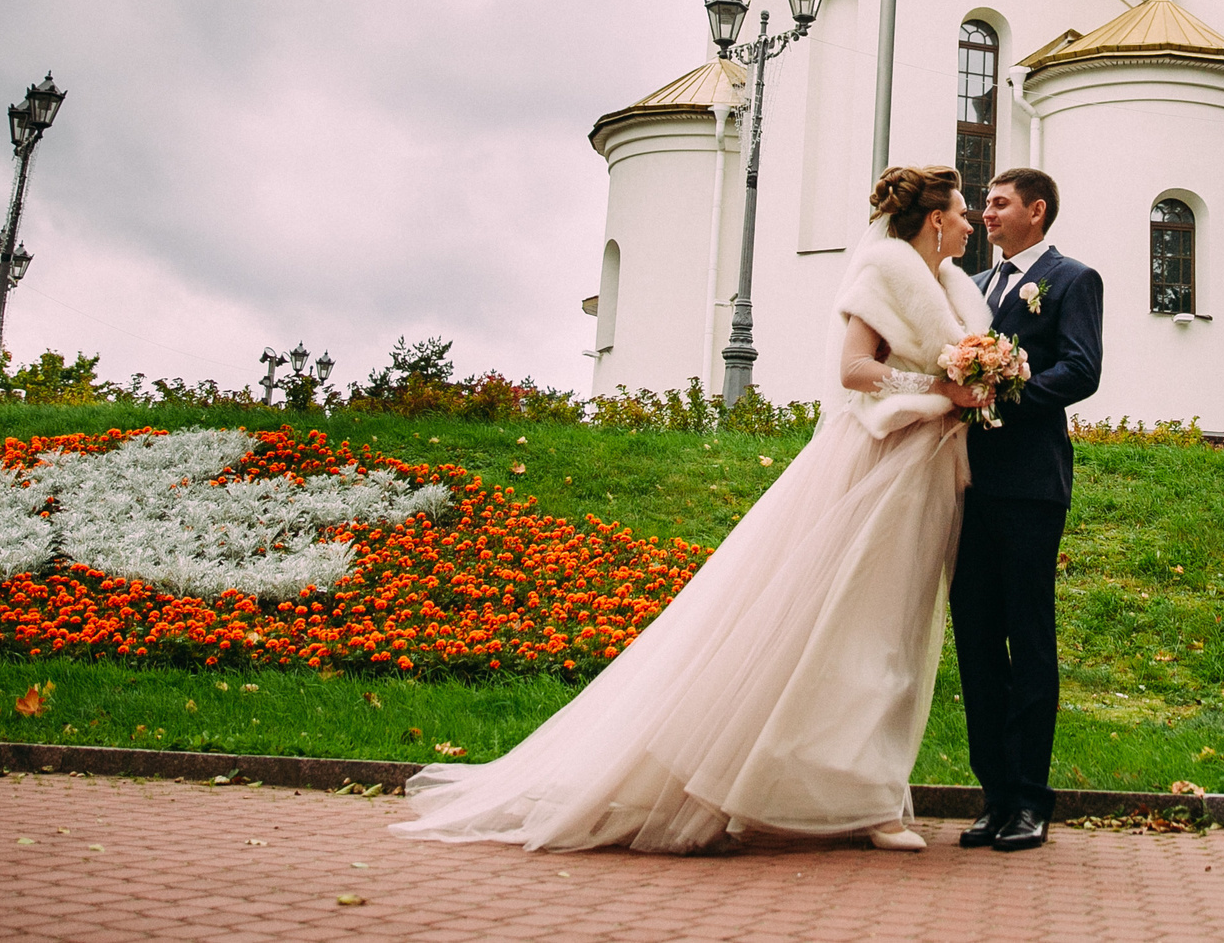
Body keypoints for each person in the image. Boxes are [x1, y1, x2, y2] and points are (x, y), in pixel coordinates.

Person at [390, 165, 992, 855]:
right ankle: (809, 792)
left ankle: (862, 793)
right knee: (838, 625)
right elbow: (854, 369)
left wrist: (967, 387)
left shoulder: (955, 291)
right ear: (936, 218)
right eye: (963, 209)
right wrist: (938, 386)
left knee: (893, 635)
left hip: (926, 472)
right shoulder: (884, 272)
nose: (972, 222)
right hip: (874, 462)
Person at [951, 167, 1103, 852]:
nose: (986, 213)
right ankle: (994, 794)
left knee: (1029, 638)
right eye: (985, 203)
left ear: (1036, 211)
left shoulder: (1073, 279)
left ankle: (1032, 801)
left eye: (999, 202)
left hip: (1031, 486)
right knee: (978, 641)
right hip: (966, 484)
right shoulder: (977, 289)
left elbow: (1081, 368)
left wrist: (1007, 388)